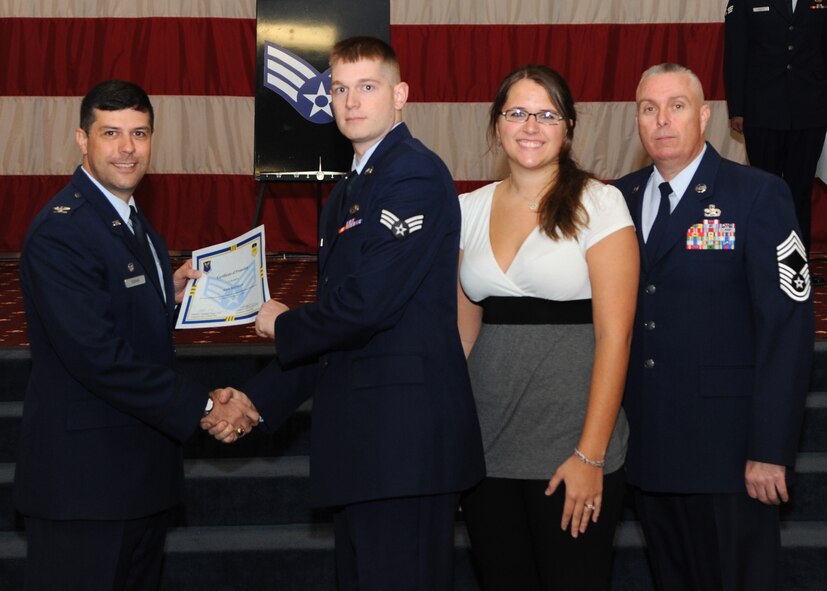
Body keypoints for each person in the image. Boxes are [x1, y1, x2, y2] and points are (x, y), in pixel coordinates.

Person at [205, 37, 485, 590]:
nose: (351, 101)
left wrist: (284, 323)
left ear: (400, 95)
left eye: (367, 86)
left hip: (405, 449)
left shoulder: (414, 176)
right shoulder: (345, 195)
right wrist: (258, 399)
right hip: (365, 449)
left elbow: (367, 307)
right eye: (339, 88)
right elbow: (338, 330)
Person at [14, 80, 260, 590]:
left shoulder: (133, 222)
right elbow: (98, 356)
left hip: (136, 482)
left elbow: (112, 313)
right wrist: (208, 408)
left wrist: (165, 296)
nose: (128, 148)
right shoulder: (63, 229)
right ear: (83, 139)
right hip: (84, 490)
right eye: (111, 133)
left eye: (139, 133)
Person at [613, 63, 814, 591]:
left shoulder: (757, 195)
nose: (662, 120)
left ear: (704, 116)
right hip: (650, 447)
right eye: (648, 108)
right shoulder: (617, 200)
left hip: (731, 455)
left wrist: (771, 448)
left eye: (677, 106)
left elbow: (786, 330)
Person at [454, 65, 639, 591]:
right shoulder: (468, 208)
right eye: (516, 112)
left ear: (568, 127)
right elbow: (463, 340)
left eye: (546, 114)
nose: (530, 126)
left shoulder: (600, 204)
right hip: (487, 450)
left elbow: (615, 338)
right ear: (496, 125)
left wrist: (590, 455)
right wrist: (454, 441)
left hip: (570, 449)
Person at [724, 0, 827, 255]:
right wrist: (737, 108)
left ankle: (797, 262)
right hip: (762, 111)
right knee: (762, 190)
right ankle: (763, 259)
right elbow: (735, 52)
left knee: (800, 190)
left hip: (810, 110)